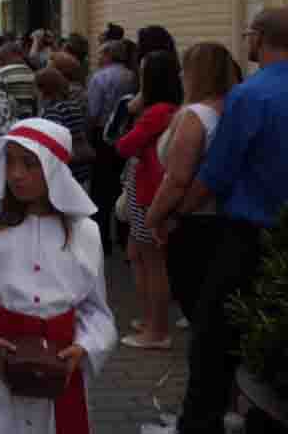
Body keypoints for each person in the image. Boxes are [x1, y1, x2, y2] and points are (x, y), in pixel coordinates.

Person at [0, 118, 117, 434]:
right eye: (9, 162)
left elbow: (97, 312)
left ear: (54, 168)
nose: (15, 174)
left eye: (29, 164)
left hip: (59, 372)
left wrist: (84, 347)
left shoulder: (86, 233)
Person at [170, 9, 288, 434]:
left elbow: (217, 173)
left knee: (214, 338)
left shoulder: (250, 95)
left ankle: (202, 423)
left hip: (250, 234)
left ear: (259, 38)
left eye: (248, 35)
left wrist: (179, 212)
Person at [145, 43, 240, 322]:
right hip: (226, 216)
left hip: (192, 221)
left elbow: (177, 178)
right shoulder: (233, 109)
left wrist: (155, 217)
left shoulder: (195, 115)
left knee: (195, 302)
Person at [116, 50, 181, 350]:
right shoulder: (170, 109)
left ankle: (157, 330)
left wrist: (132, 112)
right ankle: (150, 319)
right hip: (145, 189)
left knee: (153, 262)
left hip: (148, 191)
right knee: (139, 255)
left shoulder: (157, 112)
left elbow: (124, 145)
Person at [87, 40, 137, 255]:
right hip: (127, 133)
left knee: (101, 189)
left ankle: (102, 237)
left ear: (108, 55)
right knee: (122, 184)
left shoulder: (99, 77)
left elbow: (93, 111)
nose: (98, 58)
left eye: (101, 54)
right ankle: (125, 237)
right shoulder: (132, 76)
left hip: (104, 135)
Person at [37, 67, 94, 193]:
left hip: (66, 173)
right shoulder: (73, 105)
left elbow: (55, 143)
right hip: (82, 169)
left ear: (43, 89)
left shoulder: (53, 110)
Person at [0, 40, 38, 119]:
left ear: (5, 55)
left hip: (11, 119)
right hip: (30, 120)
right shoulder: (33, 74)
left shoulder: (0, 74)